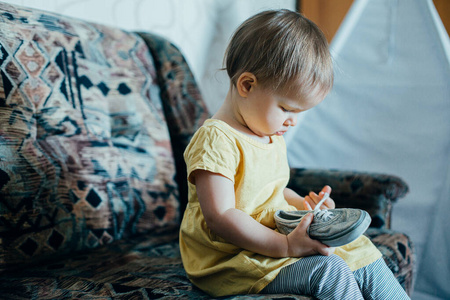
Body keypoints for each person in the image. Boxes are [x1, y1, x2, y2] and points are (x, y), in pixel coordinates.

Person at [179, 9, 410, 299]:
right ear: (247, 85)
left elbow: (270, 190)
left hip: (270, 242)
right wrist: (286, 246)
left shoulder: (269, 134)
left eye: (300, 112)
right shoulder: (216, 139)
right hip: (231, 260)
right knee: (329, 270)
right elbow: (221, 216)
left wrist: (305, 208)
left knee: (361, 250)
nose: (293, 121)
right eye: (287, 109)